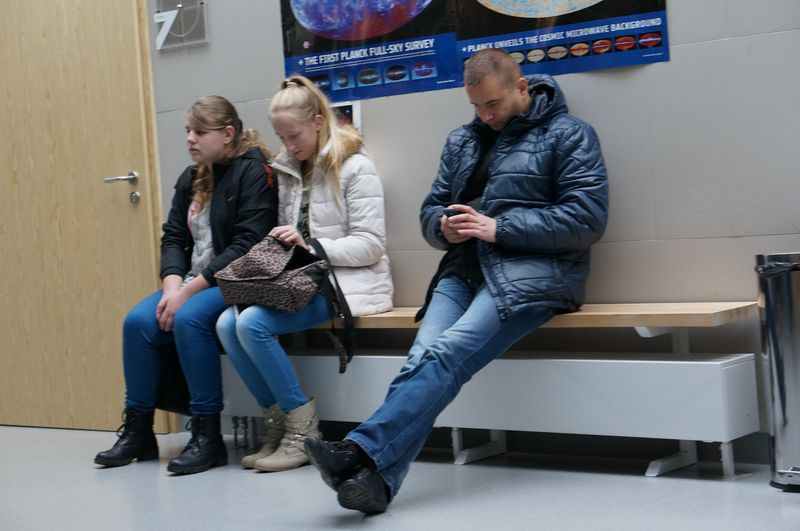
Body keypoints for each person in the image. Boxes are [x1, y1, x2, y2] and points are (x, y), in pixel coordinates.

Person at [304, 48, 609, 513]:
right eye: (476, 106)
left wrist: (497, 227)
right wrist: (442, 227)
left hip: (532, 277)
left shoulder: (569, 134)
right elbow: (430, 210)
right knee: (422, 358)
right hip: (462, 270)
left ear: (521, 88)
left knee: (445, 352)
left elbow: (586, 220)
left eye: (493, 104)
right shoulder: (462, 140)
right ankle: (376, 483)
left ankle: (358, 449)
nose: (485, 116)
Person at [215, 75, 393, 473]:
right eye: (282, 137)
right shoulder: (289, 170)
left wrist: (310, 246)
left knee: (253, 324)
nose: (289, 146)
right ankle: (278, 424)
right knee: (227, 323)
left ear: (318, 121)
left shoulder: (356, 166)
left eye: (294, 135)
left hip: (346, 282)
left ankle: (302, 430)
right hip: (303, 279)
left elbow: (371, 245)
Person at [95, 95, 278, 475]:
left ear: (227, 134)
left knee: (188, 318)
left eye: (199, 132)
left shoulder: (255, 172)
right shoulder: (192, 177)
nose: (190, 139)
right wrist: (171, 288)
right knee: (137, 322)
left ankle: (207, 436)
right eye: (188, 131)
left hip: (238, 278)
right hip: (193, 282)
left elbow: (249, 245)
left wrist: (187, 294)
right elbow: (174, 237)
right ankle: (139, 431)